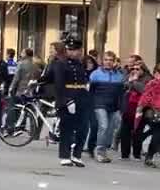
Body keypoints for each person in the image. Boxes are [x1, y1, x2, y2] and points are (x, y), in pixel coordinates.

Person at [47, 36, 90, 167]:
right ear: (67, 50)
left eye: (77, 50)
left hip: (82, 98)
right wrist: (67, 100)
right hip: (67, 98)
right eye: (72, 50)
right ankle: (65, 155)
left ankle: (77, 155)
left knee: (83, 128)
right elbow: (59, 85)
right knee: (67, 129)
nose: (76, 52)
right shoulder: (60, 64)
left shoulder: (80, 63)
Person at [135, 62, 160, 168]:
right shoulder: (153, 83)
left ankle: (149, 158)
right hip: (154, 114)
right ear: (158, 73)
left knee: (159, 136)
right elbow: (146, 97)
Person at [87, 51, 126, 163]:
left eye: (110, 60)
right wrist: (91, 104)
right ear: (102, 61)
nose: (108, 62)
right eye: (106, 60)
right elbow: (91, 91)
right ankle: (99, 152)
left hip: (113, 105)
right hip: (99, 104)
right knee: (103, 126)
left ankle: (103, 150)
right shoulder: (95, 74)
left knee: (110, 129)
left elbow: (121, 93)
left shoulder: (119, 76)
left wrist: (121, 107)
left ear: (114, 62)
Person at [121, 60, 151, 160]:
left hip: (140, 108)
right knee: (125, 131)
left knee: (137, 131)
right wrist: (129, 81)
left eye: (137, 69)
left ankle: (136, 154)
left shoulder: (148, 79)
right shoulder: (130, 76)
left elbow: (144, 90)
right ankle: (125, 154)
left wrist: (134, 81)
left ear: (143, 69)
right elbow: (123, 87)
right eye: (133, 68)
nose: (134, 70)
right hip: (128, 107)